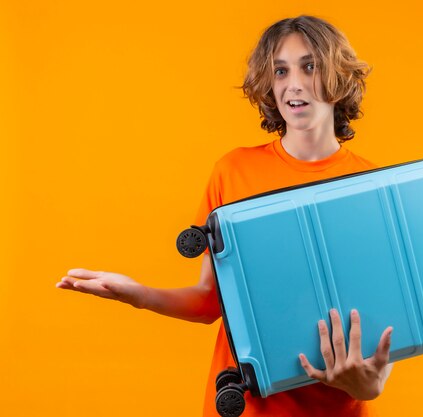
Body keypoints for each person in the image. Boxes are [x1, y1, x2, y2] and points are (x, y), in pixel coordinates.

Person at [57, 15, 393, 417]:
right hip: (244, 405)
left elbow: (387, 316)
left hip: (333, 406)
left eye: (310, 66)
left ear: (338, 74)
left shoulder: (374, 186)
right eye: (280, 71)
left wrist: (372, 384)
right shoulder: (233, 171)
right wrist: (139, 295)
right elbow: (210, 302)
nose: (295, 84)